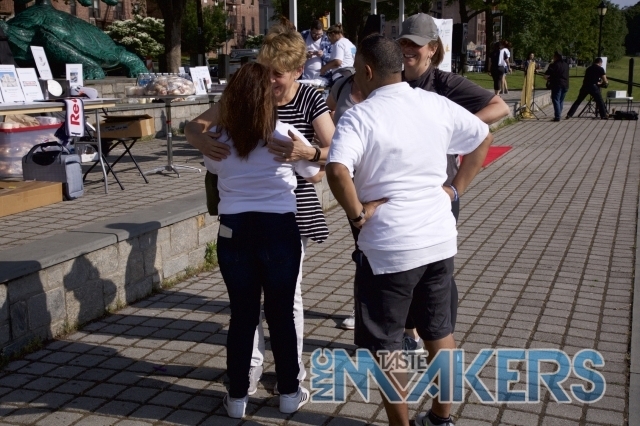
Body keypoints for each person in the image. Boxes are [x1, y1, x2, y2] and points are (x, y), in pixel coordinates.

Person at [326, 34, 493, 426]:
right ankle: (440, 418)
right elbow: (484, 137)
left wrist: (357, 215)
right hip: (438, 240)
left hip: (389, 247)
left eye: (356, 71)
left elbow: (336, 170)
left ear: (368, 71)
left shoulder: (360, 116)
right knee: (439, 331)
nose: (354, 79)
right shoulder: (433, 103)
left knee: (387, 344)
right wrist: (455, 189)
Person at [336, 12, 510, 335]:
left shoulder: (442, 85)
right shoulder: (388, 78)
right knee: (387, 268)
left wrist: (453, 135)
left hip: (435, 196)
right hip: (384, 202)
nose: (407, 49)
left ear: (433, 48)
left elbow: (499, 110)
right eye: (402, 42)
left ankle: (418, 331)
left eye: (415, 44)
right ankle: (406, 330)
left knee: (433, 273)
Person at [185, 24, 335, 395]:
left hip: (292, 207)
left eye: (277, 74)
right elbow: (193, 127)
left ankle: (289, 371)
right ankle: (251, 368)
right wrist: (203, 140)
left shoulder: (309, 99)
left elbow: (336, 152)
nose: (268, 80)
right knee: (249, 303)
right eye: (264, 70)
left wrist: (308, 152)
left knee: (286, 299)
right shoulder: (249, 94)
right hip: (258, 209)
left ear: (298, 71)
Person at [544, 51, 569, 121]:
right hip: (565, 84)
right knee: (561, 100)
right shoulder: (566, 65)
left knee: (556, 100)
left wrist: (548, 77)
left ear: (556, 57)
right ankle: (559, 114)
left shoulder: (554, 65)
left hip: (557, 84)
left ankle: (557, 116)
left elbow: (547, 74)